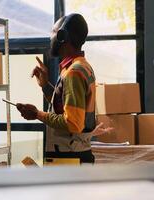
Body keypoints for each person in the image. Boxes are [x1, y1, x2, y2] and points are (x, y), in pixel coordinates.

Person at [17, 13, 110, 164]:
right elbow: (66, 107)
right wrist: (46, 86)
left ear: (62, 36)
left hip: (70, 158)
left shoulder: (74, 72)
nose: (50, 37)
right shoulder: (80, 66)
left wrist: (37, 114)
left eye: (53, 32)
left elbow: (73, 123)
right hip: (74, 154)